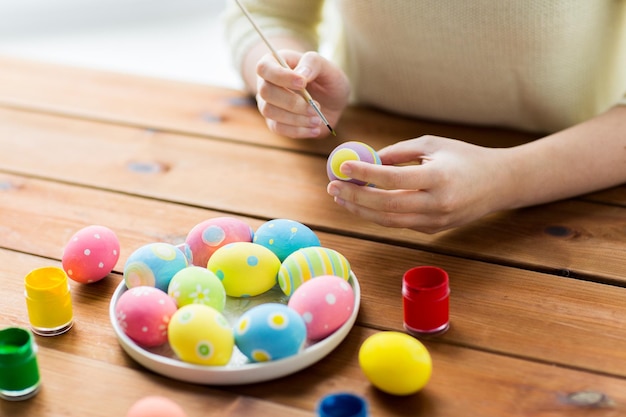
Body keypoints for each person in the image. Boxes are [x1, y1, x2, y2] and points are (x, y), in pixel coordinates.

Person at [223, 1, 626, 233]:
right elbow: (265, 14)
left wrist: (507, 178)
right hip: (353, 167)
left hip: (574, 184)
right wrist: (282, 75)